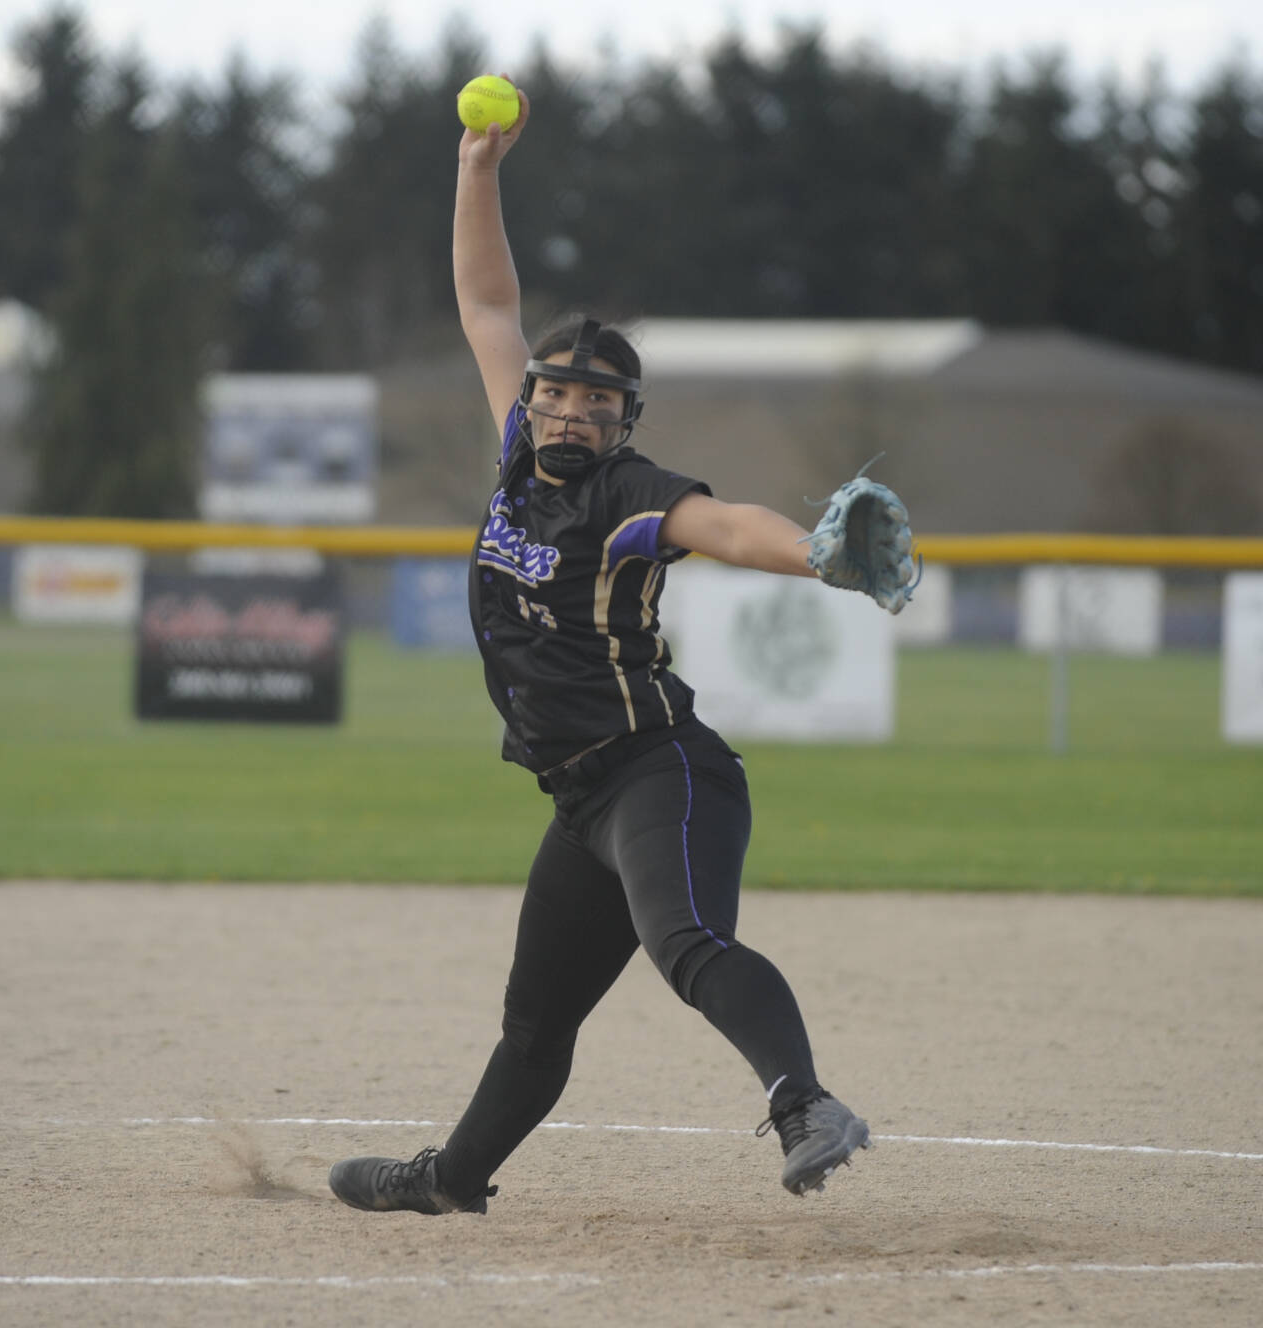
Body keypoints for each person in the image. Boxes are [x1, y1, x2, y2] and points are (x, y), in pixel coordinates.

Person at [328, 81, 870, 1216]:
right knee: (535, 1017)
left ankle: (805, 1105)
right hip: (580, 794)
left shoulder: (630, 496)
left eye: (596, 401)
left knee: (682, 942)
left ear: (626, 421)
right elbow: (486, 304)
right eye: (557, 391)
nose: (570, 412)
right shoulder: (517, 458)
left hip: (659, 770)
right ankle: (450, 1179)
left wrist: (819, 550)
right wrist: (478, 169)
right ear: (529, 401)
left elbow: (725, 529)